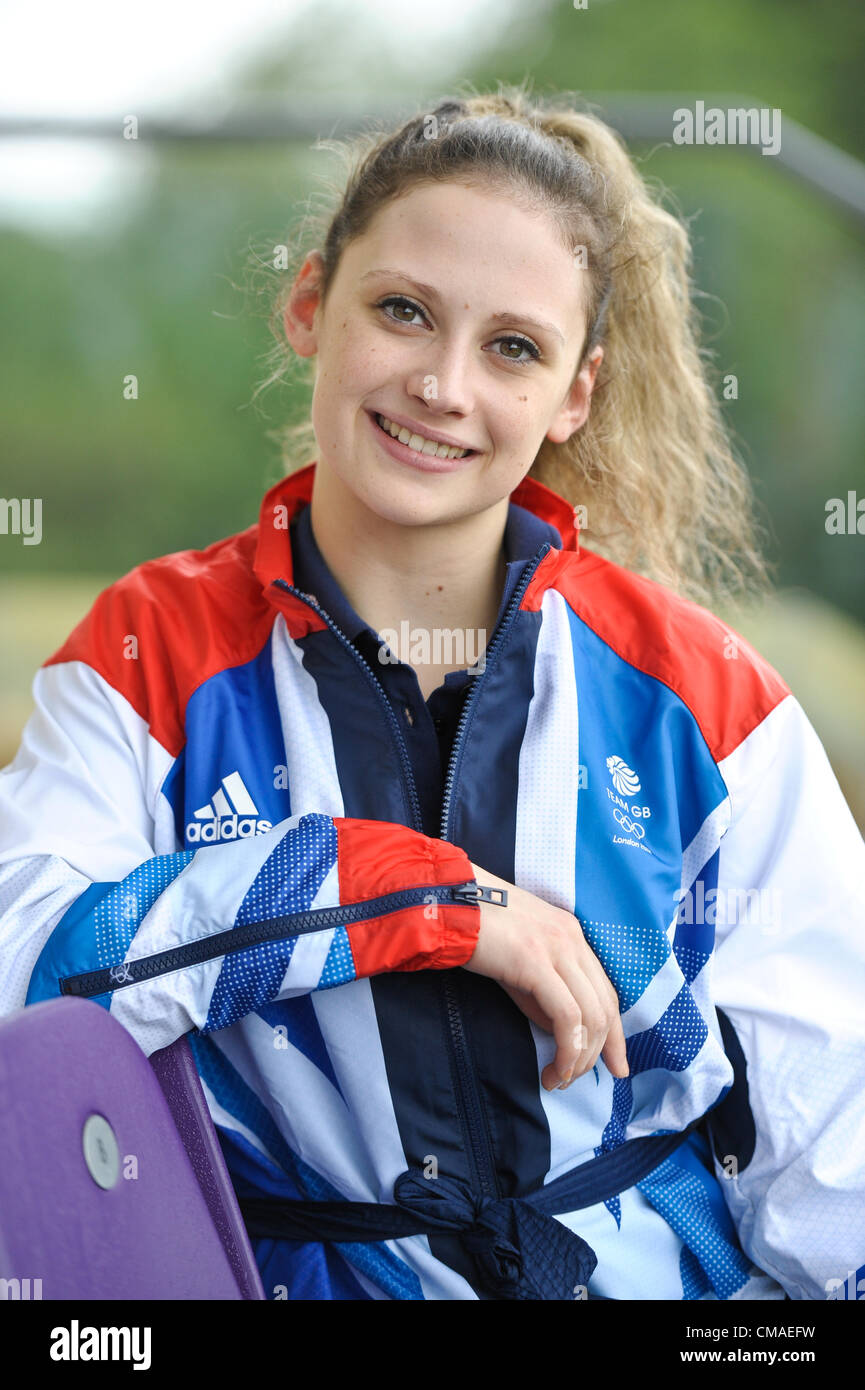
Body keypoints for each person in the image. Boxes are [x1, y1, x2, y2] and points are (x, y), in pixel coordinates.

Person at [1, 82, 863, 1302]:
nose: (444, 386)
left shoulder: (702, 698)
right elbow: (33, 982)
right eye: (403, 312)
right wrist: (407, 895)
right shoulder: (148, 654)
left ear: (575, 391)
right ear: (311, 307)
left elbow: (839, 1160)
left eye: (512, 346)